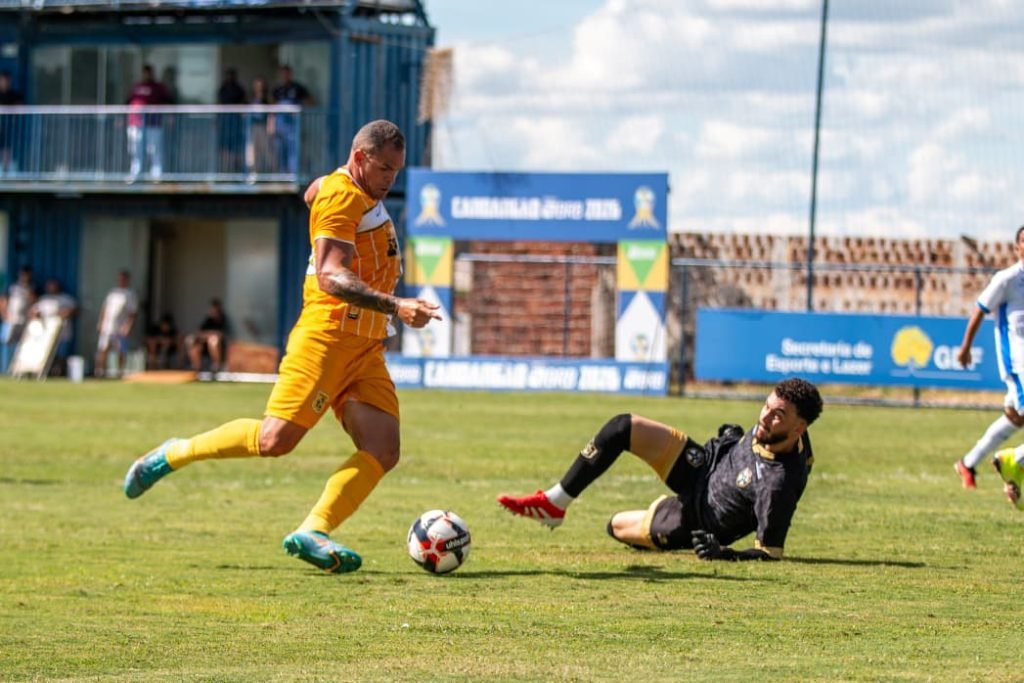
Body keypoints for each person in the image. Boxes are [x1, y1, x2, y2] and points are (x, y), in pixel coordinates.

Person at [124, 120, 441, 574]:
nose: (392, 179)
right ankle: (174, 452)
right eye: (384, 168)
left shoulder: (350, 191)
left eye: (397, 170)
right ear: (359, 158)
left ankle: (313, 530)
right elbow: (332, 275)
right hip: (328, 335)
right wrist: (396, 305)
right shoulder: (344, 195)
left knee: (383, 448)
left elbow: (313, 192)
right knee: (275, 441)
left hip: (365, 346)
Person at [498, 377, 823, 561]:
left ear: (798, 428)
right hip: (703, 465)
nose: (764, 417)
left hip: (700, 517)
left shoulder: (778, 484)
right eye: (766, 406)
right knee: (621, 427)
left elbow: (770, 553)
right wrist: (731, 442)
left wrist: (724, 553)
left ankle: (658, 522)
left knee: (615, 526)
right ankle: (555, 502)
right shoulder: (782, 426)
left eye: (777, 415)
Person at [954, 226, 1024, 492]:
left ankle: (968, 463)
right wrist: (965, 347)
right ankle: (1015, 460)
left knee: (1014, 418)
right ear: (1017, 247)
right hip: (1018, 365)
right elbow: (979, 310)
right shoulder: (1007, 279)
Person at [126, 64, 172, 181]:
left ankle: (156, 174)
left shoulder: (158, 87)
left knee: (154, 149)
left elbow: (168, 101)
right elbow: (128, 101)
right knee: (136, 149)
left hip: (153, 123)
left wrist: (170, 116)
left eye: (149, 73)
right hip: (136, 123)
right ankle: (136, 174)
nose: (147, 75)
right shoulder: (136, 86)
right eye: (145, 73)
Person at [94, 270, 138, 378]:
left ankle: (120, 372)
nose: (121, 280)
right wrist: (101, 322)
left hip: (120, 327)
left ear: (127, 280)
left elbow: (133, 313)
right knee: (103, 349)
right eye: (120, 278)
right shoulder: (112, 293)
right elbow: (105, 308)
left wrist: (128, 326)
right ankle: (100, 372)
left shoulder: (130, 294)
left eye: (123, 278)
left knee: (121, 350)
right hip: (107, 326)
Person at [29, 278, 77, 376]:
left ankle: (60, 373)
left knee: (62, 355)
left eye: (53, 286)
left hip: (63, 333)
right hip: (46, 335)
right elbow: (33, 312)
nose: (51, 288)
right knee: (47, 355)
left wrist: (65, 313)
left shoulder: (66, 299)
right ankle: (46, 373)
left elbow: (75, 310)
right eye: (49, 286)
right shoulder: (44, 300)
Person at [271, 65, 313, 175]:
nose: (285, 76)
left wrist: (300, 109)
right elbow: (272, 107)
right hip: (280, 125)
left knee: (293, 150)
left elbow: (310, 101)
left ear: (290, 74)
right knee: (281, 150)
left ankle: (293, 174)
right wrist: (271, 124)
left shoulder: (297, 88)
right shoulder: (277, 89)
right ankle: (282, 174)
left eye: (287, 73)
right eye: (283, 74)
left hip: (293, 126)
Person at [0, 265, 35, 372]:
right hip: (10, 320)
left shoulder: (32, 287)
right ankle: (4, 368)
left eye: (27, 275)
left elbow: (34, 302)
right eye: (23, 274)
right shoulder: (12, 286)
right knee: (7, 343)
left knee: (20, 345)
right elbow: (3, 300)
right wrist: (4, 315)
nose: (24, 277)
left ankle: (15, 370)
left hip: (23, 321)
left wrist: (27, 290)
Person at [186, 298, 229, 373]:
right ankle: (197, 368)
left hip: (219, 348)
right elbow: (198, 333)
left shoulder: (223, 319)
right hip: (205, 345)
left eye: (215, 309)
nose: (213, 310)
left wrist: (208, 335)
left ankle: (217, 367)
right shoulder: (208, 320)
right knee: (191, 340)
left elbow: (220, 334)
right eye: (212, 308)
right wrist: (208, 334)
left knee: (213, 340)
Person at [217, 67, 246, 174]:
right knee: (224, 147)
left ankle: (235, 170)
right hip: (225, 122)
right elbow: (219, 103)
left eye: (231, 75)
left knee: (235, 147)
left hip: (235, 122)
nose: (229, 77)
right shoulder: (223, 88)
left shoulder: (239, 89)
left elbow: (243, 103)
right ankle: (224, 170)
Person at [244, 77, 272, 180]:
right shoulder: (251, 98)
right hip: (252, 127)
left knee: (267, 150)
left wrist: (270, 126)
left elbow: (271, 113)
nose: (258, 87)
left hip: (263, 127)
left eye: (260, 85)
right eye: (256, 85)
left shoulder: (266, 99)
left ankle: (272, 173)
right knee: (252, 151)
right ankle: (253, 173)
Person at [0, 70, 24, 176]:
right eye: (2, 80)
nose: (4, 82)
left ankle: (5, 170)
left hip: (8, 125)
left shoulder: (14, 94)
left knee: (6, 147)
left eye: (6, 80)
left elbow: (19, 108)